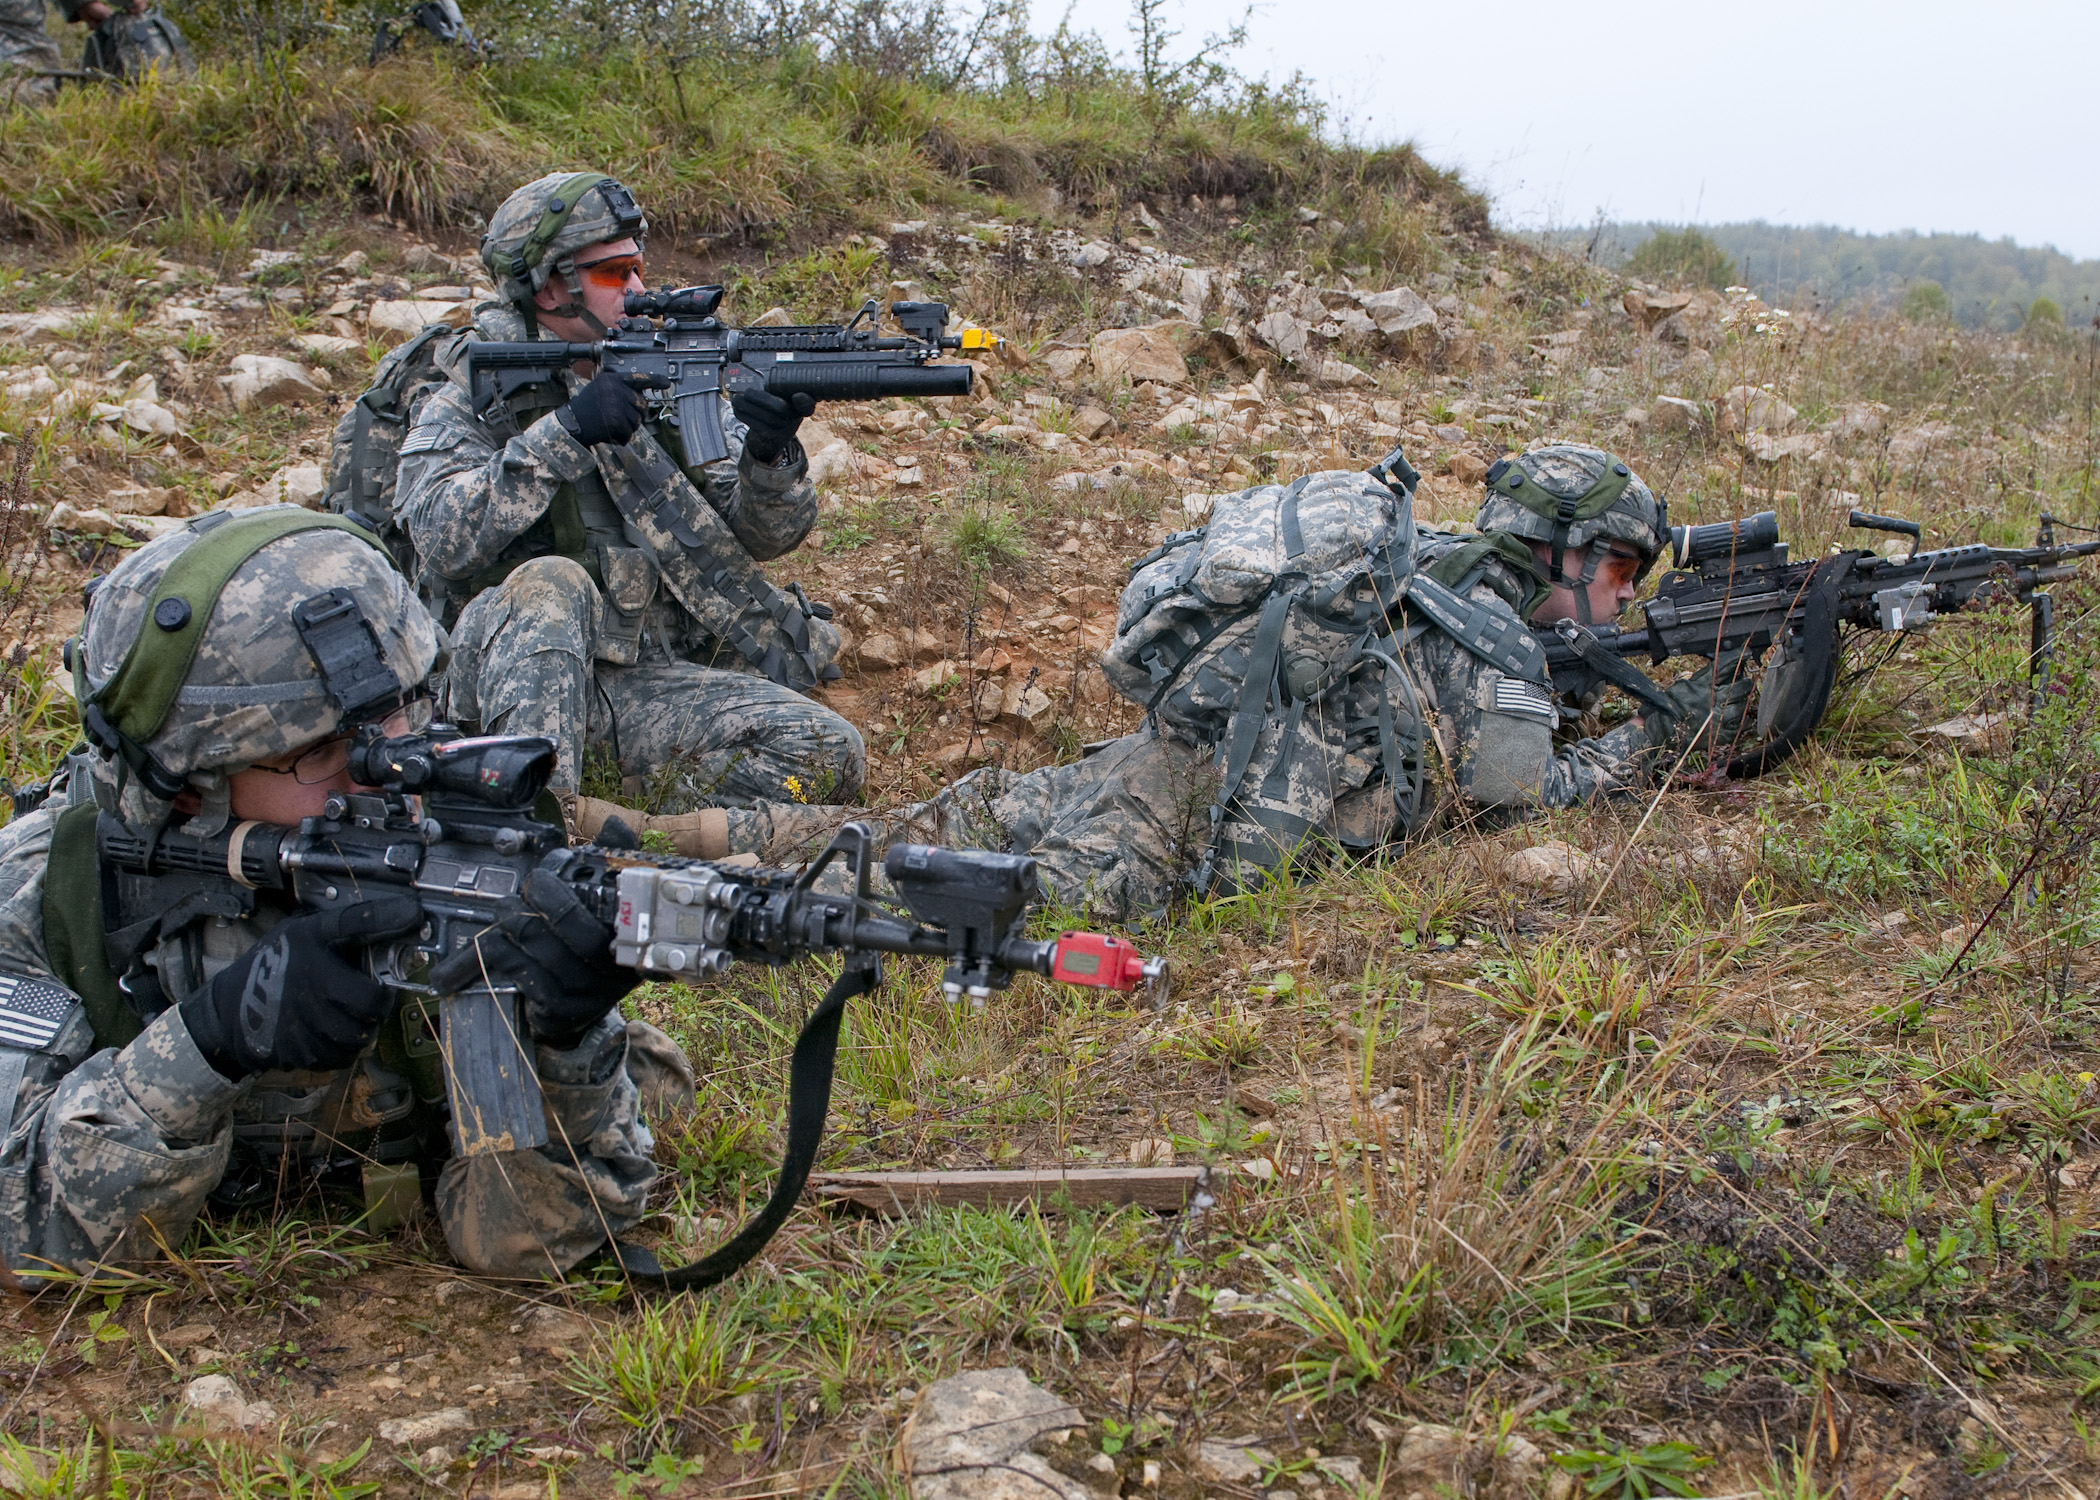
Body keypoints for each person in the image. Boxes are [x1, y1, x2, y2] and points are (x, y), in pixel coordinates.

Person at [595, 444, 1751, 920]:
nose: (1616, 596)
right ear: (1556, 551)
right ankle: (648, 891)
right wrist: (1651, 745)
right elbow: (1517, 795)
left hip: (1161, 756)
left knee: (913, 822)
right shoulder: (1491, 641)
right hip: (1186, 824)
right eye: (1611, 569)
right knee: (933, 894)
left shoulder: (1431, 569)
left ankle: (651, 828)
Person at [0, 508, 689, 1281]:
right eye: (317, 750)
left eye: (395, 714)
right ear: (190, 790)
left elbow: (524, 1240)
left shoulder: (453, 853)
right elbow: (25, 1226)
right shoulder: (51, 897)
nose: (382, 767)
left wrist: (566, 1040)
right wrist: (212, 1041)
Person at [390, 171, 865, 817]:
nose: (640, 288)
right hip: (509, 689)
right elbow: (440, 537)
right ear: (551, 285)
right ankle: (531, 833)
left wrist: (768, 454)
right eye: (616, 273)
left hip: (637, 687)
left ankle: (615, 828)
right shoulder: (473, 401)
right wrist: (564, 433)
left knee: (825, 752)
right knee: (549, 581)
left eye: (640, 268)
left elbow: (766, 538)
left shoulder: (660, 387)